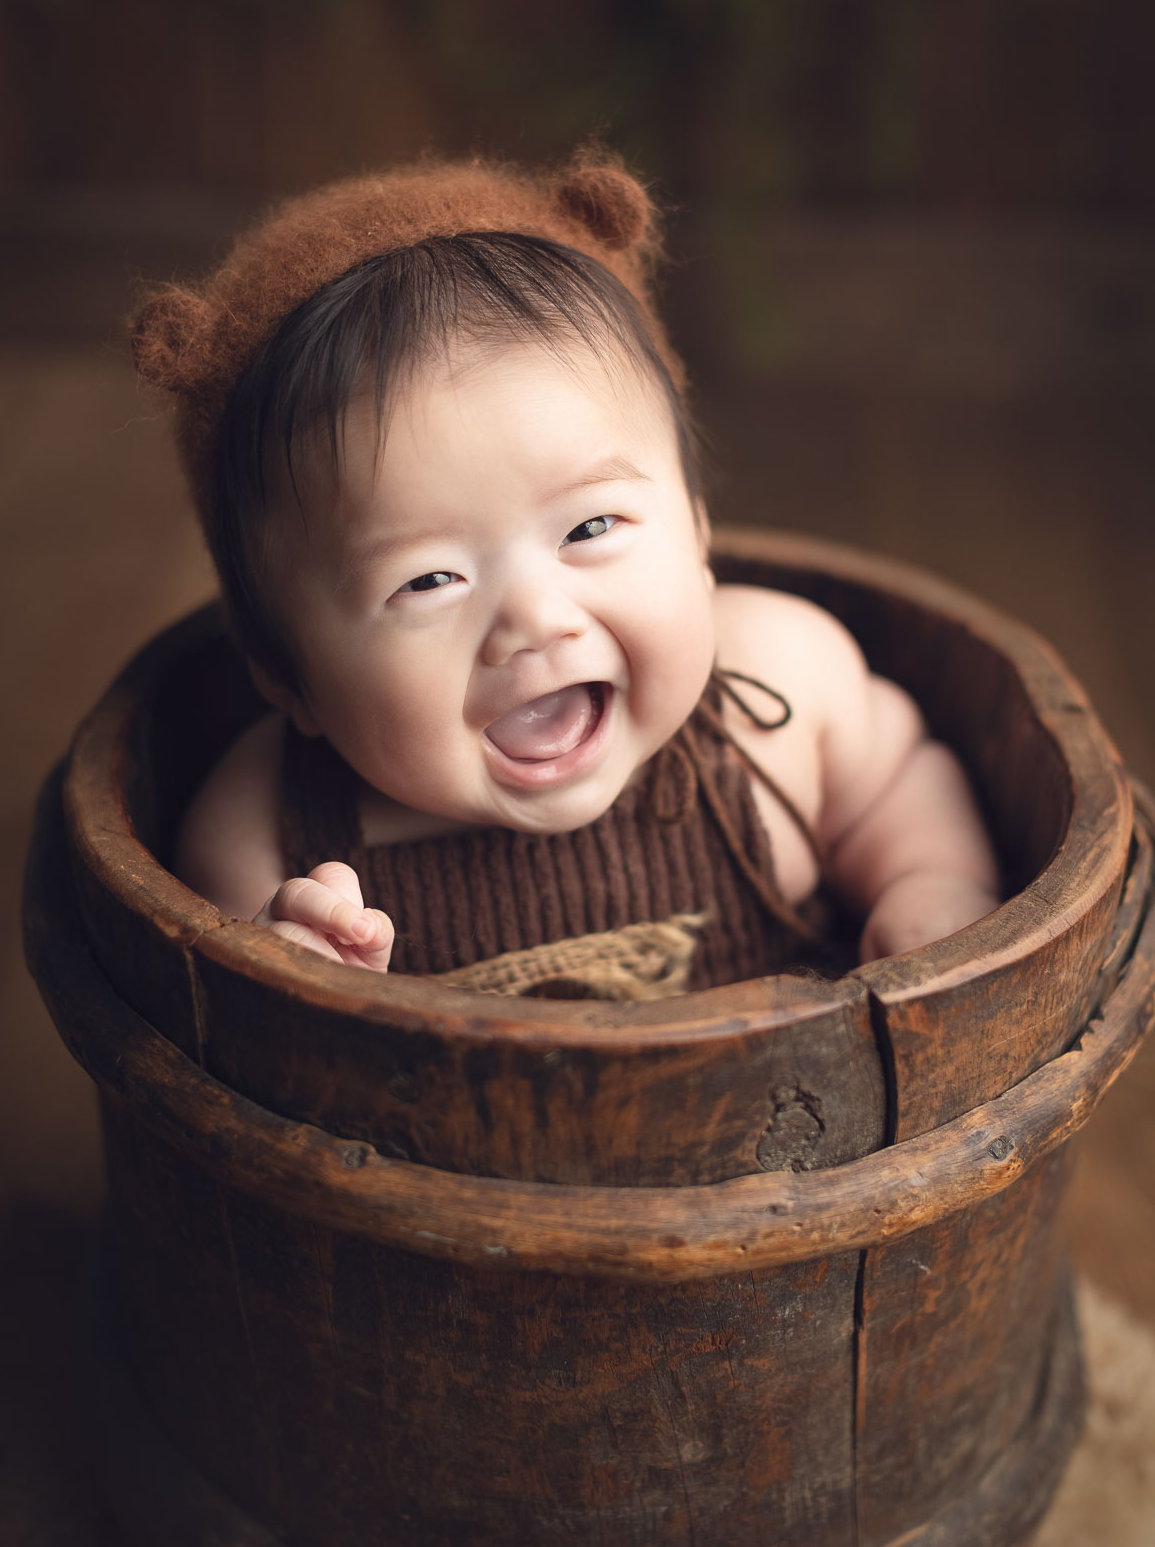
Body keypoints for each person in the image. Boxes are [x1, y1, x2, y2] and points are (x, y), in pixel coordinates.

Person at [132, 151, 998, 990]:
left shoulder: (779, 689)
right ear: (288, 677)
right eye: (428, 580)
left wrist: (928, 882)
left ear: (696, 533)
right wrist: (297, 983)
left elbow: (896, 778)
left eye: (590, 525)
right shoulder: (263, 831)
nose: (538, 620)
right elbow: (224, 1037)